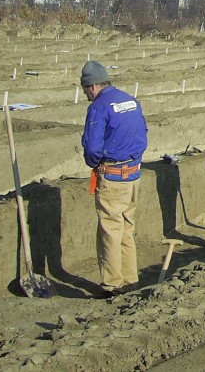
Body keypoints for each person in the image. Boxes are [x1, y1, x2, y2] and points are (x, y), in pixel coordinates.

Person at [80, 60, 148, 298]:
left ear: (92, 86)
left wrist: (94, 163)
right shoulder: (129, 100)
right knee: (127, 228)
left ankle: (112, 285)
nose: (86, 95)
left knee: (110, 229)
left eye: (85, 90)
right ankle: (130, 280)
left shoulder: (99, 107)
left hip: (113, 177)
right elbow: (143, 132)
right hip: (134, 174)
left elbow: (92, 146)